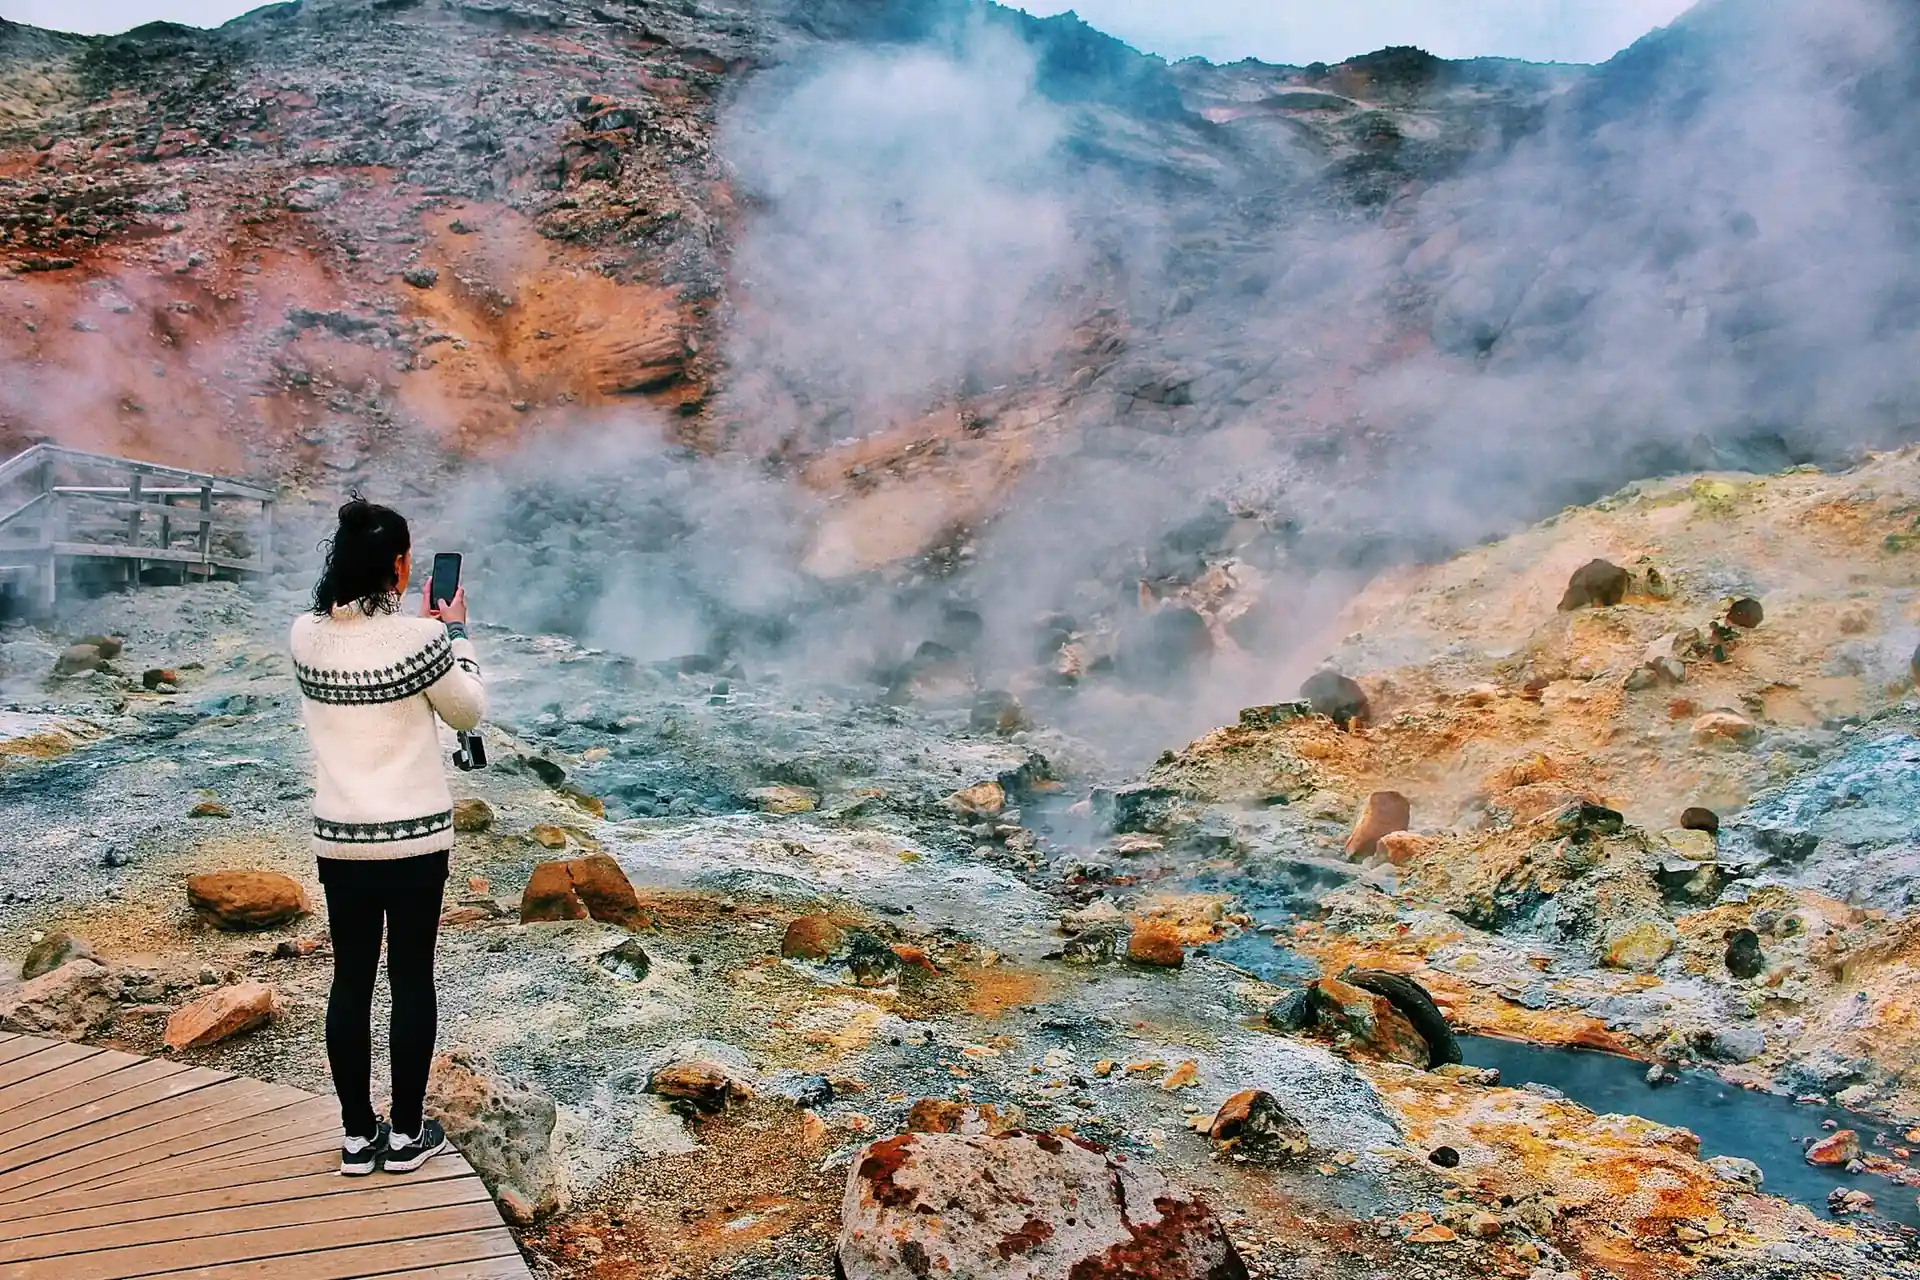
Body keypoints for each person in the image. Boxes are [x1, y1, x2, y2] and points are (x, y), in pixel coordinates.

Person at [291, 496, 485, 1176]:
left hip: (341, 840)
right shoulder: (422, 641)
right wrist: (456, 633)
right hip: (413, 843)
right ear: (400, 566)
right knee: (410, 980)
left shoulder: (304, 635)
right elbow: (468, 710)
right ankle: (405, 1136)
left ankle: (354, 1137)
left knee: (350, 981)